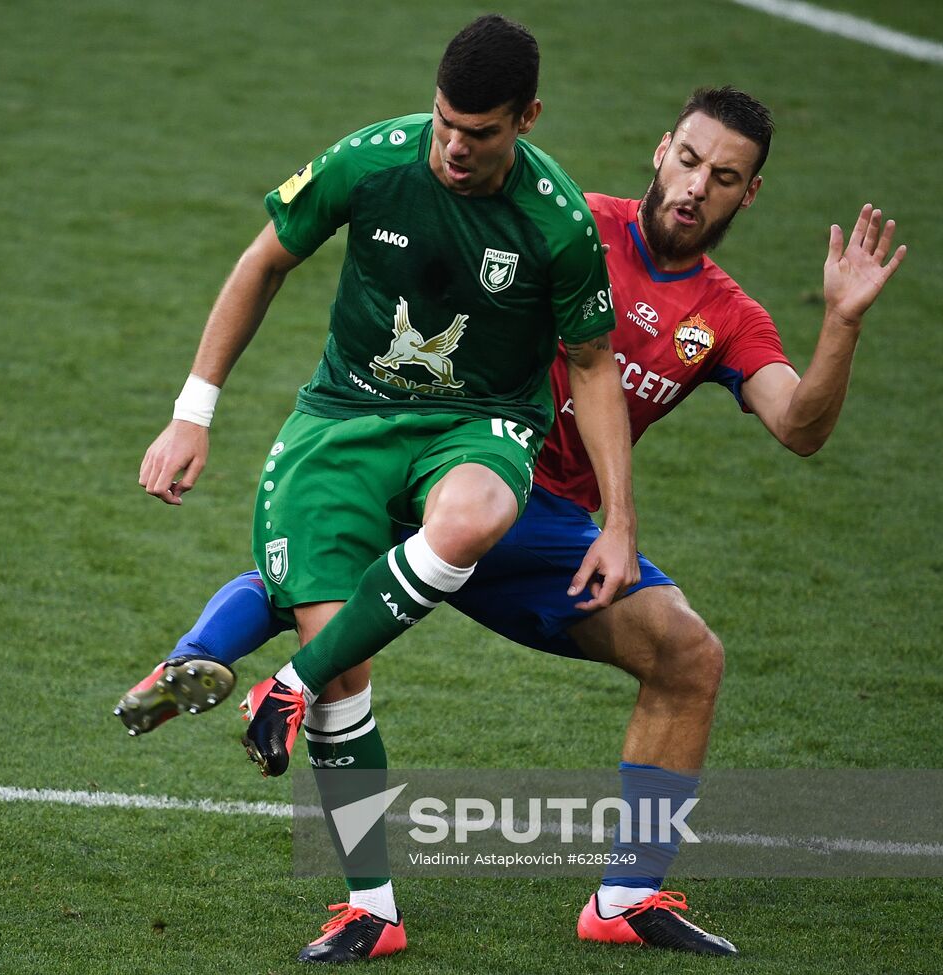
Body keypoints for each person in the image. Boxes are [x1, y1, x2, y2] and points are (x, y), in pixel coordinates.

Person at [120, 84, 907, 960]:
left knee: (689, 655)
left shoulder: (725, 315)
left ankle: (626, 896)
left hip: (548, 528)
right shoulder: (565, 221)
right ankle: (297, 775)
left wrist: (840, 322)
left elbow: (800, 425)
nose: (695, 187)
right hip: (454, 462)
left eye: (723, 177)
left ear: (748, 193)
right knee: (343, 557)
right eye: (688, 161)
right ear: (660, 149)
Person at [135, 14, 641, 964]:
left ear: (527, 118)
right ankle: (373, 909)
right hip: (340, 422)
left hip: (476, 421)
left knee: (480, 511)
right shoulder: (372, 162)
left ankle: (280, 677)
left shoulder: (557, 222)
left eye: (481, 132)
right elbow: (265, 260)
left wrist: (620, 521)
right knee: (346, 663)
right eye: (446, 121)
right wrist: (192, 410)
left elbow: (593, 362)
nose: (454, 146)